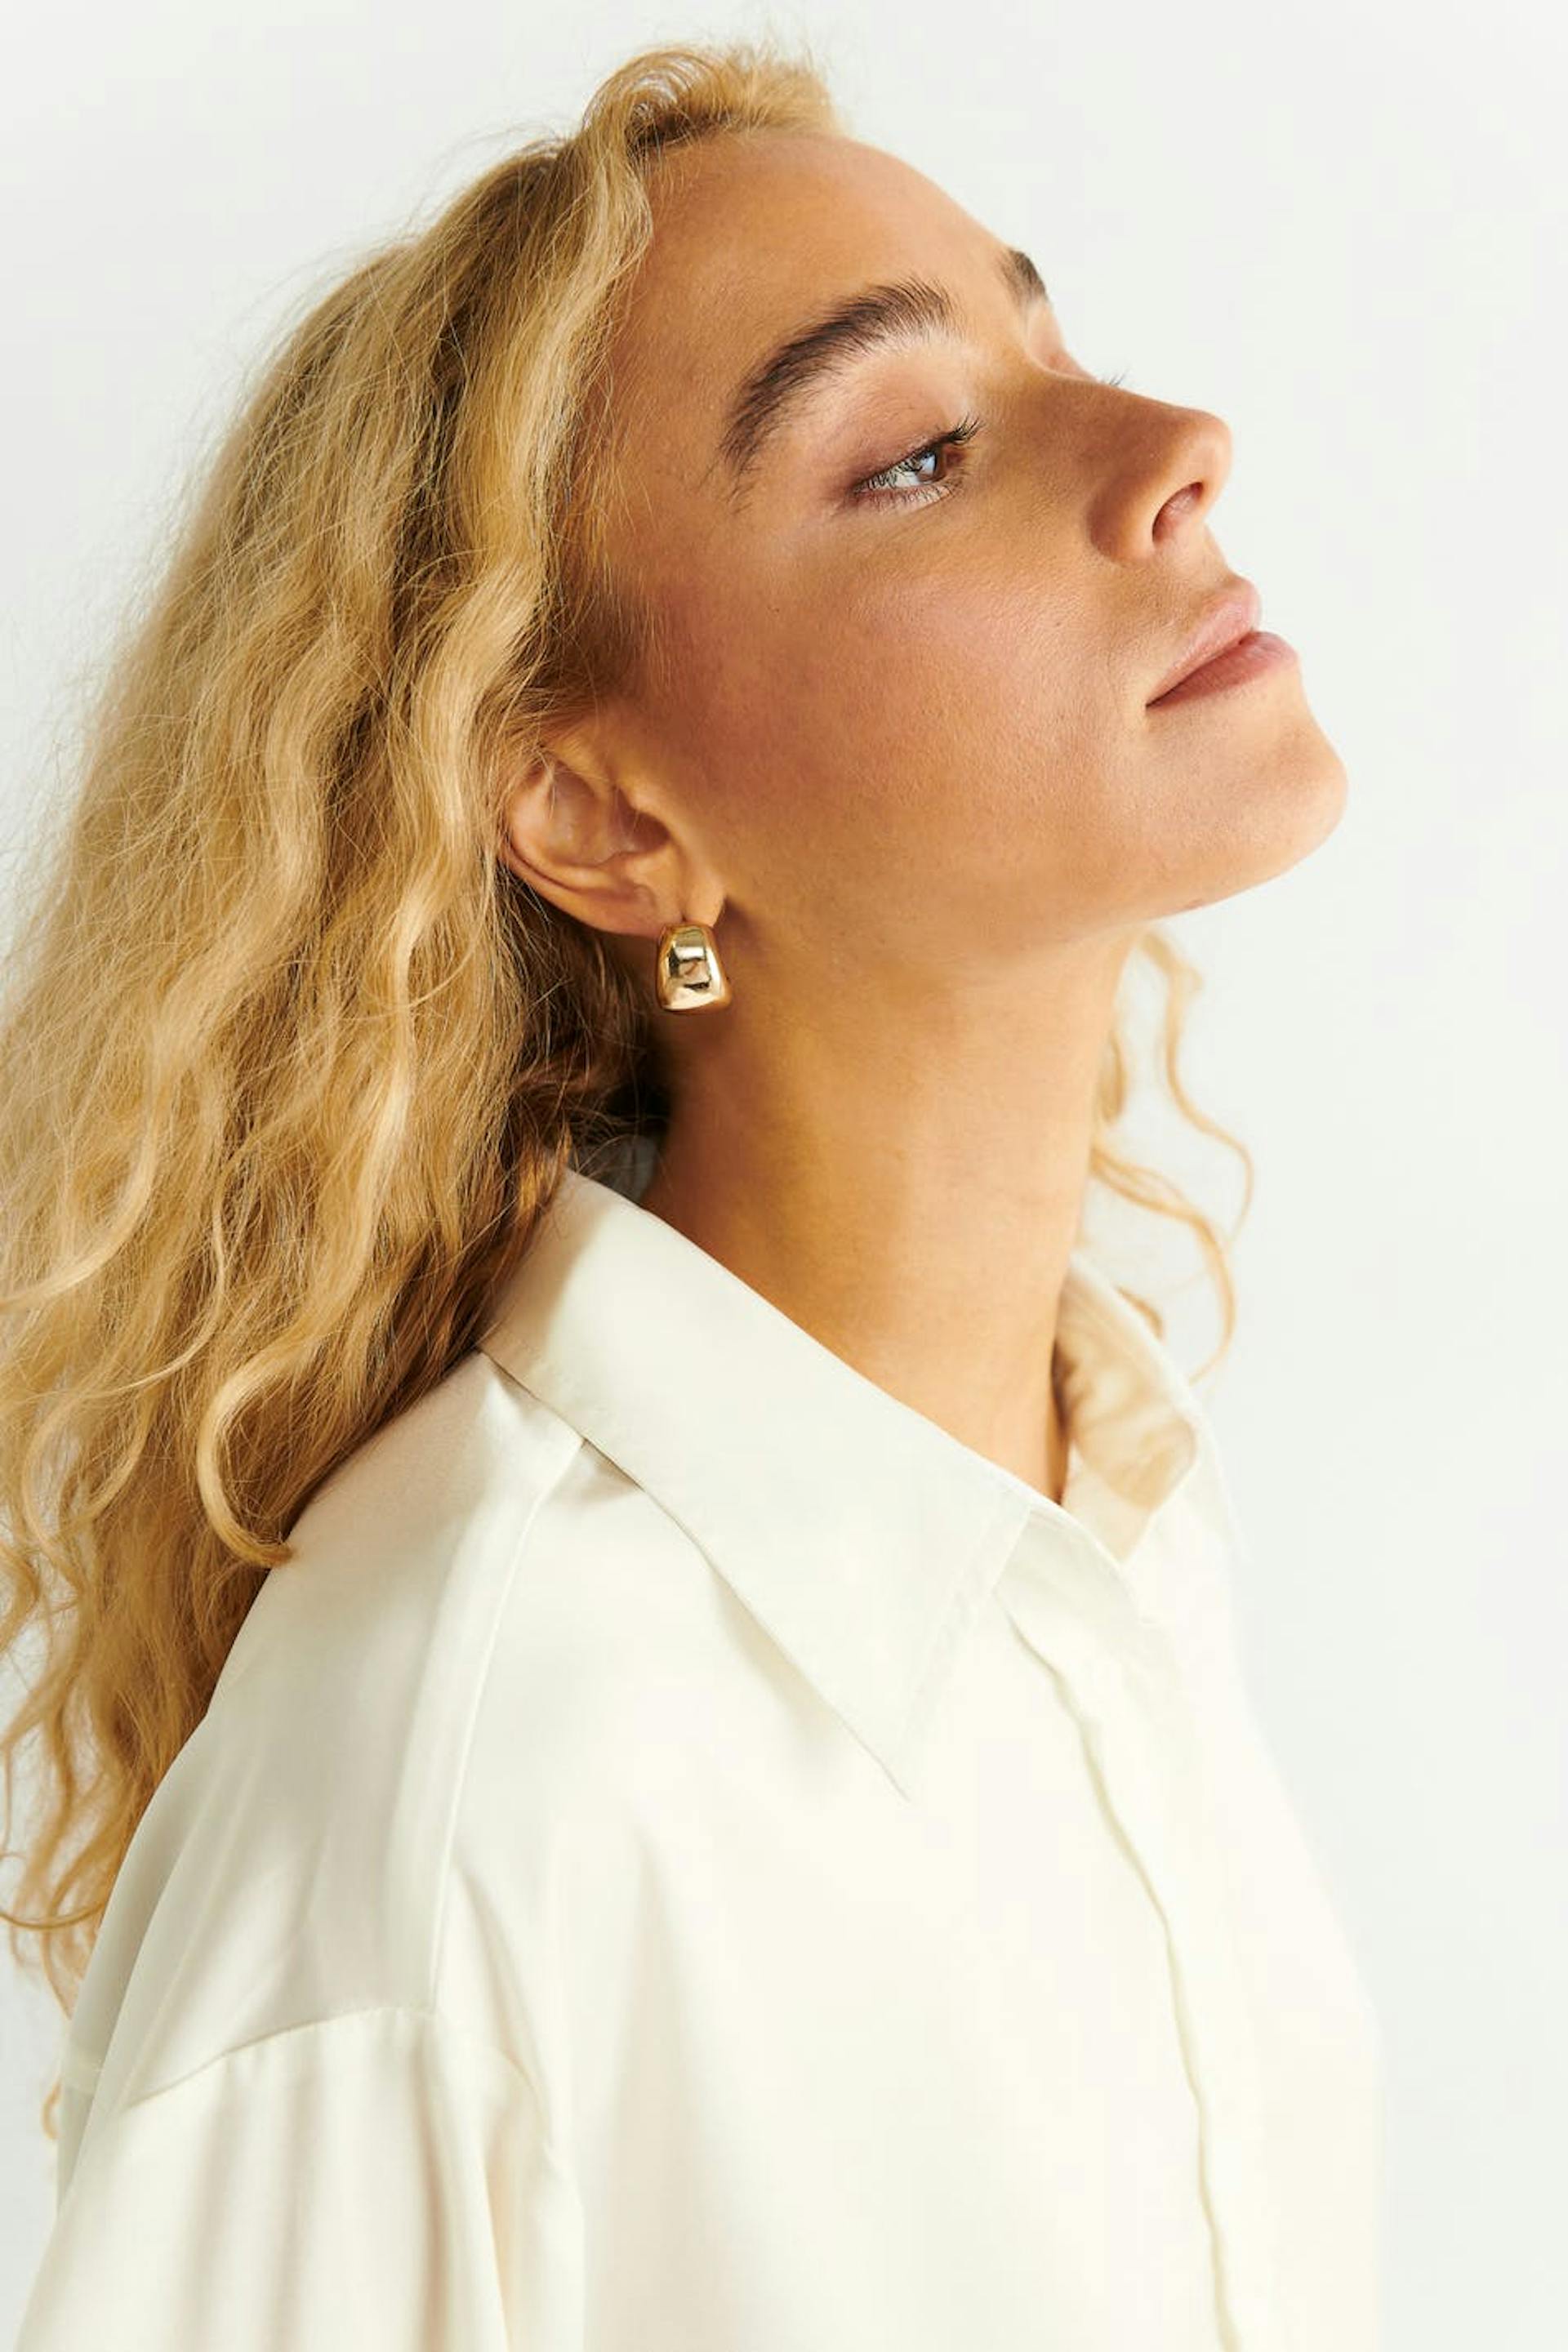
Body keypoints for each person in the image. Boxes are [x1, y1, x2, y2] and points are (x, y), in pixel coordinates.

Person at [1, 33, 1383, 2352]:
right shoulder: (458, 1792)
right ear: (605, 820)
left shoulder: (1114, 1543)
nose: (1175, 449)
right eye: (918, 452)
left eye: (1049, 339)